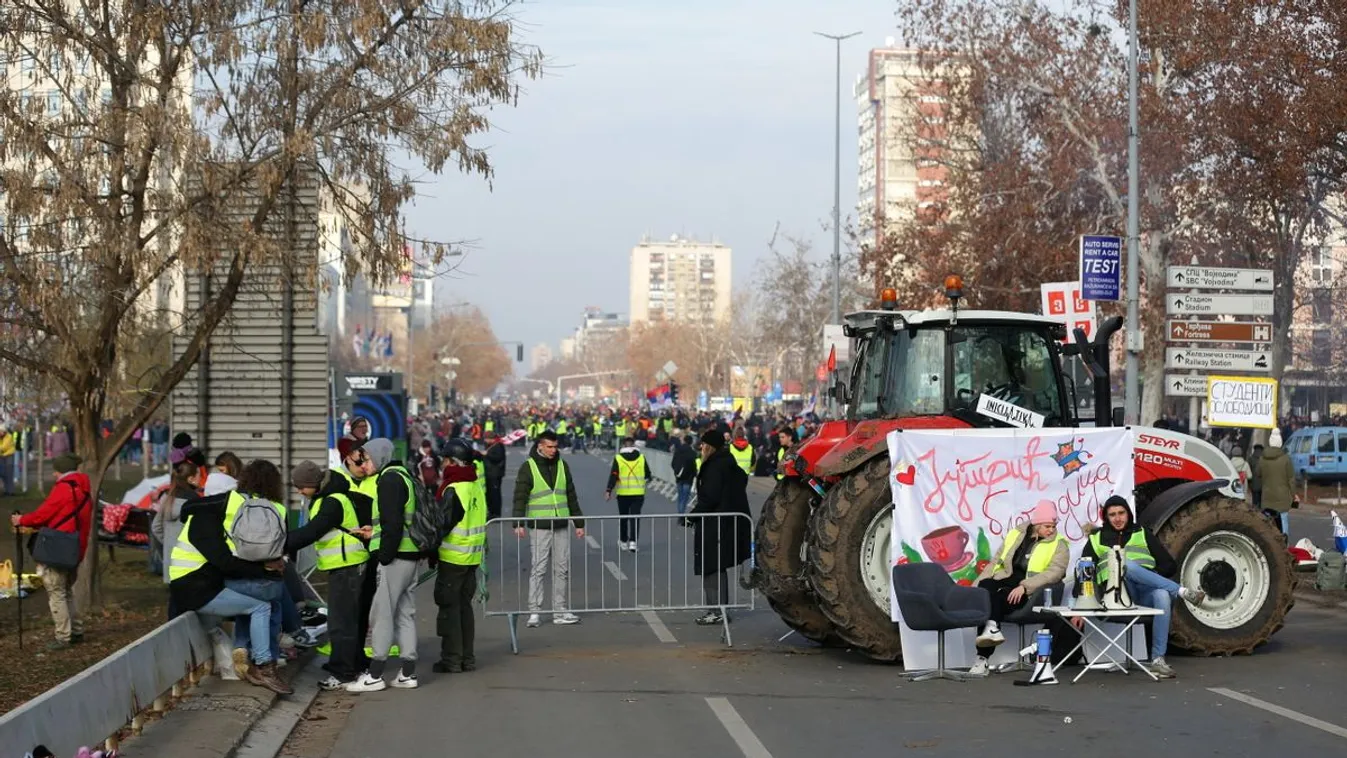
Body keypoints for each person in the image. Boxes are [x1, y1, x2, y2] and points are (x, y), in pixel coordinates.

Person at [167, 488, 292, 694]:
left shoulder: (212, 517)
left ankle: (247, 648)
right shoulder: (203, 523)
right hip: (194, 589)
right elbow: (225, 562)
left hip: (205, 584)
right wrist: (264, 570)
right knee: (260, 607)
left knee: (261, 597)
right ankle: (263, 666)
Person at [1082, 494, 1206, 679]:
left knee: (1162, 595)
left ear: (1128, 513)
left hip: (1144, 593)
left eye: (1121, 513)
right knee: (1125, 563)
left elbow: (1169, 565)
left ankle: (1157, 660)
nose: (1118, 518)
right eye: (1112, 514)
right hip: (1116, 595)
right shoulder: (1096, 538)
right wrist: (1079, 604)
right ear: (1106, 517)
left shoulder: (1142, 533)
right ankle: (1182, 591)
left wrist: (1149, 575)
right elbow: (1084, 571)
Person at [292, 447, 378, 690]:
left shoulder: (331, 502)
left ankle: (343, 673)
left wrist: (278, 544)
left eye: (301, 487)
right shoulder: (331, 496)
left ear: (312, 484)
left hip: (347, 566)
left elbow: (311, 532)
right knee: (351, 619)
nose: (299, 491)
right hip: (348, 564)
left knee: (341, 622)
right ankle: (354, 663)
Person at [348, 439, 422, 693]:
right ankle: (408, 673)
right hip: (410, 554)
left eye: (367, 459)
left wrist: (384, 556)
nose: (364, 465)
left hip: (395, 557)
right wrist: (377, 533)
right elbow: (396, 521)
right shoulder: (404, 476)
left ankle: (375, 675)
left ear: (379, 457)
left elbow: (392, 524)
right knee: (404, 614)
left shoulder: (388, 480)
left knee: (382, 614)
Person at [968, 501, 1069, 675]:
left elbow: (1054, 573)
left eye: (1053, 526)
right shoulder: (1016, 534)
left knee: (997, 599)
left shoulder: (1059, 545)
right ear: (1036, 524)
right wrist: (974, 587)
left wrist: (1025, 587)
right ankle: (992, 627)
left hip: (1030, 591)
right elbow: (996, 561)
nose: (1051, 530)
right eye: (1047, 526)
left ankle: (982, 658)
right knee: (985, 588)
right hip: (1005, 579)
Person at [11, 453, 92, 649]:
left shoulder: (63, 489)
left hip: (57, 549)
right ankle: (76, 630)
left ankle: (62, 636)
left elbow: (43, 514)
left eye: (56, 470)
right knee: (67, 591)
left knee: (56, 592)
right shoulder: (83, 489)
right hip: (75, 548)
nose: (54, 474)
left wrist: (21, 520)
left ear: (62, 470)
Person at [512, 430, 585, 628]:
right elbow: (520, 496)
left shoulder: (562, 465)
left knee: (562, 568)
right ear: (540, 447)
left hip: (561, 523)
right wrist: (517, 523)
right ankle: (534, 611)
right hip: (540, 525)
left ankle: (559, 610)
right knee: (539, 568)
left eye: (555, 446)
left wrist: (579, 523)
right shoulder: (528, 467)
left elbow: (571, 495)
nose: (553, 450)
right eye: (549, 447)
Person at [687, 430, 752, 625]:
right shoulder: (728, 463)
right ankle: (720, 609)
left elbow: (710, 497)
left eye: (703, 444)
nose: (701, 447)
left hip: (714, 524)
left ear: (710, 446)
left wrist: (692, 516)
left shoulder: (714, 466)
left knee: (711, 567)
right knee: (717, 566)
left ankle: (716, 610)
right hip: (725, 523)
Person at [432, 440, 485, 673]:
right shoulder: (475, 485)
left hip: (453, 558)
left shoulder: (454, 488)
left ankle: (452, 659)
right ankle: (467, 658)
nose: (442, 464)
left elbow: (442, 524)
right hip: (472, 557)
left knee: (449, 608)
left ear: (453, 462)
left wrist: (428, 547)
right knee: (464, 608)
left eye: (444, 460)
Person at [152, 451, 207, 585]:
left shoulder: (167, 498)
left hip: (171, 561)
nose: (201, 478)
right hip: (190, 562)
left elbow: (156, 527)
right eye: (199, 475)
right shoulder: (195, 503)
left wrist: (169, 542)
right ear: (191, 479)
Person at [605, 436, 651, 552]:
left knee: (624, 517)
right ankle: (633, 543)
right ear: (633, 445)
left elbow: (614, 475)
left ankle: (623, 541)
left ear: (623, 445)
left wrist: (609, 490)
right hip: (638, 493)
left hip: (623, 493)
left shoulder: (618, 458)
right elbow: (648, 474)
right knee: (635, 518)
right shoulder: (641, 458)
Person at [1258, 430, 1295, 538]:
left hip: (1267, 495)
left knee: (1266, 521)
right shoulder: (1286, 458)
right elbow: (1291, 479)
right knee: (1283, 521)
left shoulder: (1262, 458)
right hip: (1282, 496)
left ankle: (1267, 540)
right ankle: (1284, 542)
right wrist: (1293, 495)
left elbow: (1258, 474)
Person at [670, 431, 698, 515]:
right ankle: (681, 514)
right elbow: (693, 466)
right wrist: (695, 474)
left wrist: (676, 471)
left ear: (684, 441)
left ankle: (680, 512)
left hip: (679, 476)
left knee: (680, 496)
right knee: (685, 497)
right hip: (688, 478)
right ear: (691, 442)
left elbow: (673, 463)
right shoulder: (692, 453)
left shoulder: (678, 451)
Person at [482, 431, 507, 520]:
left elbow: (497, 458)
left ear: (491, 439)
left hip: (495, 474)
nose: (485, 441)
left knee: (495, 495)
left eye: (486, 439)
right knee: (490, 494)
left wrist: (487, 454)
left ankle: (495, 513)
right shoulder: (491, 445)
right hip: (490, 473)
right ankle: (491, 511)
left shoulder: (498, 446)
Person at [0, 423, 16, 496]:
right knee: (3, 474)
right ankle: (6, 490)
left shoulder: (8, 437)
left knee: (9, 473)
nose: (0, 433)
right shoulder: (1, 437)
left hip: (9, 456)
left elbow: (4, 447)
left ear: (4, 431)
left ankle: (10, 491)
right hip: (1, 456)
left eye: (1, 431)